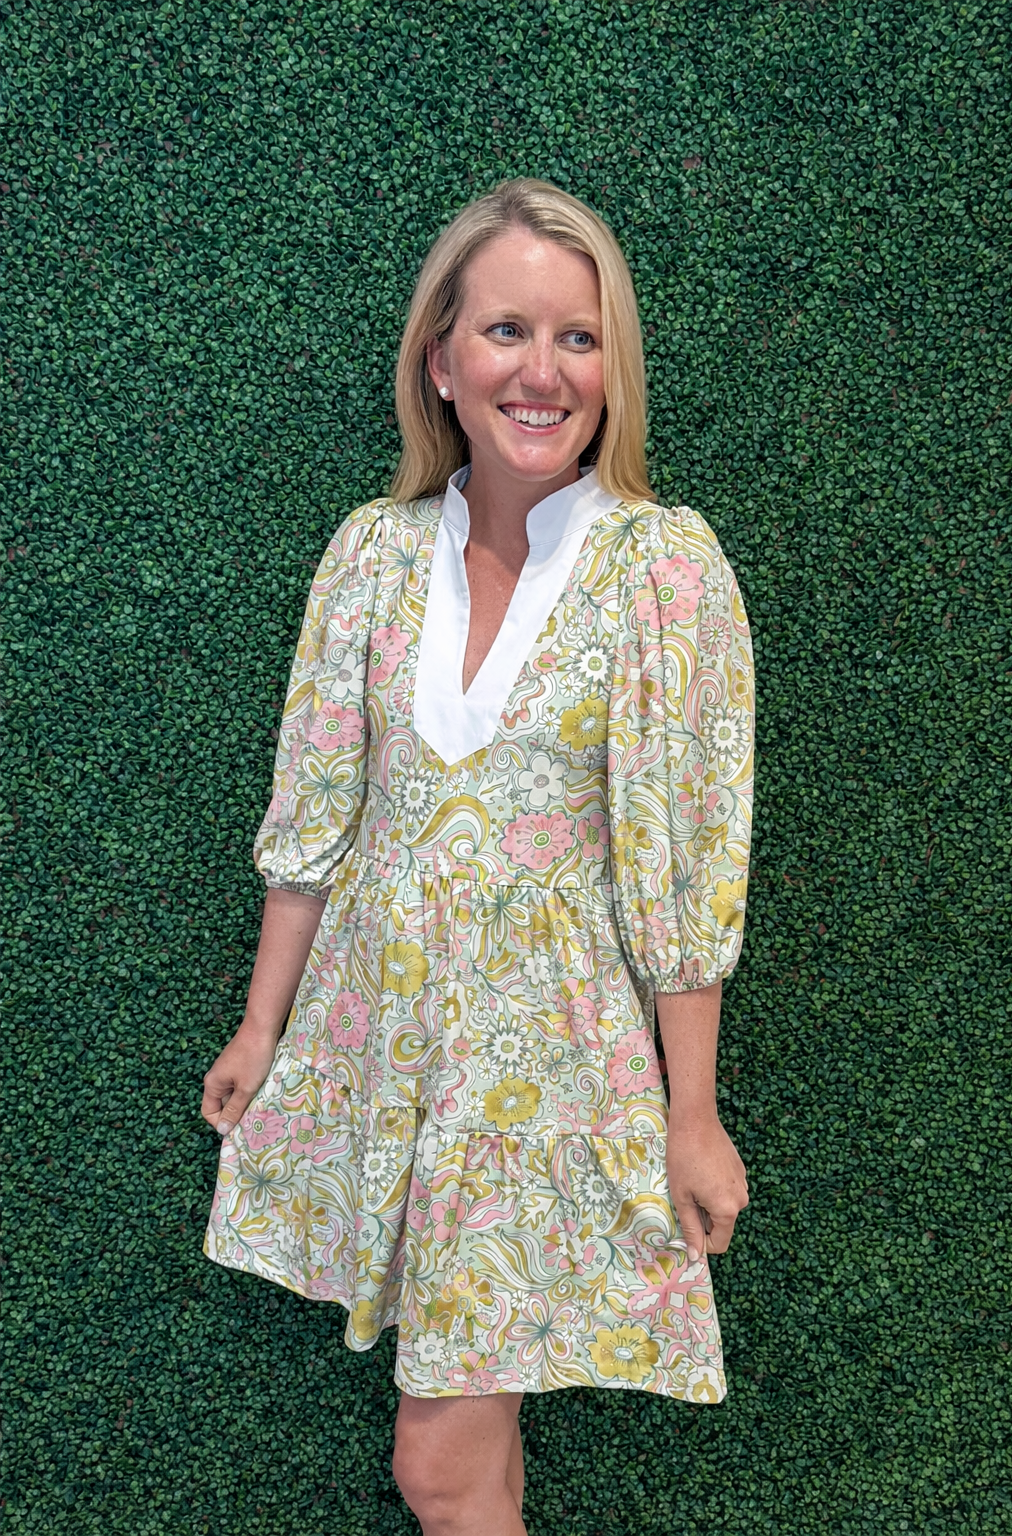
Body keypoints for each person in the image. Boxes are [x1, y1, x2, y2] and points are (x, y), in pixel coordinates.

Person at [201, 178, 754, 1536]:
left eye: (579, 337)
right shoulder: (373, 558)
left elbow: (682, 863)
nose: (542, 370)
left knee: (439, 1466)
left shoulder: (661, 571)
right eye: (508, 330)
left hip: (546, 1072)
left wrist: (694, 1112)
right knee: (474, 1462)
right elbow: (316, 820)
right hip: (382, 1049)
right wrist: (261, 1028)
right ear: (442, 361)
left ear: (611, 370)